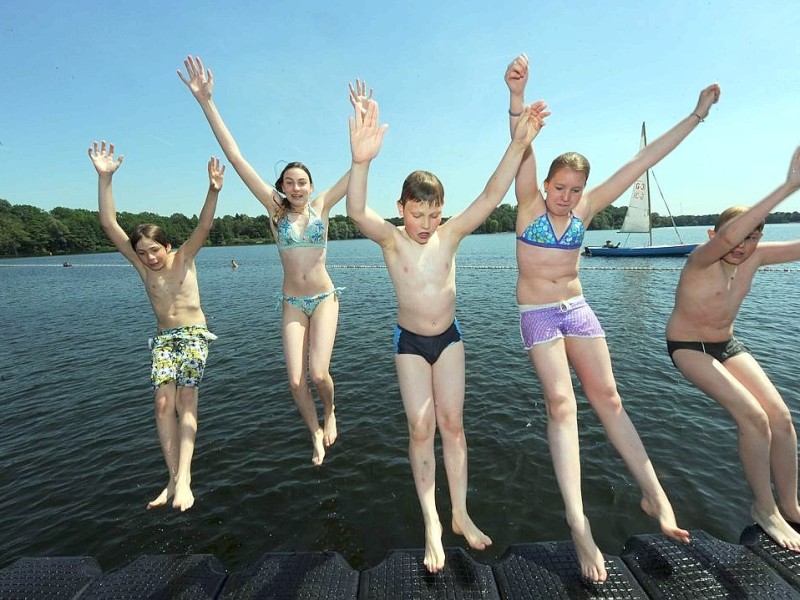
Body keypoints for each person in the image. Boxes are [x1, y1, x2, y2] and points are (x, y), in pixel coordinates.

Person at [505, 52, 719, 582]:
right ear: (547, 183)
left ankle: (655, 495)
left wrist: (695, 117)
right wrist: (516, 97)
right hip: (537, 313)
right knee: (561, 403)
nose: (567, 197)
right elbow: (521, 145)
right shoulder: (528, 203)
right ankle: (578, 523)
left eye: (575, 190)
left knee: (610, 397)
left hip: (576, 309)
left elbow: (642, 163)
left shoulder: (587, 208)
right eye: (561, 188)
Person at [346, 90, 547, 572]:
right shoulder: (391, 240)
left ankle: (459, 514)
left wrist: (518, 145)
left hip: (450, 339)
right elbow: (355, 211)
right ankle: (431, 523)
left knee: (453, 426)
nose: (426, 223)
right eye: (418, 214)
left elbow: (491, 195)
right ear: (401, 208)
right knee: (421, 427)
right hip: (411, 344)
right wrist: (360, 162)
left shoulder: (450, 234)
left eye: (433, 214)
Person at [178, 56, 371, 466]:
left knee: (319, 374)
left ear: (311, 185)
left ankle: (332, 411)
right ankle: (314, 433)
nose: (296, 187)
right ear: (281, 187)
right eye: (289, 182)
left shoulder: (322, 206)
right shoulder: (276, 212)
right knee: (295, 380)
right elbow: (237, 157)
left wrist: (360, 116)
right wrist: (206, 102)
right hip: (291, 304)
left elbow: (358, 164)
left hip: (324, 299)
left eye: (302, 181)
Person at [666, 147, 800, 552]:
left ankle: (791, 505)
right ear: (716, 235)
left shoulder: (754, 259)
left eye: (754, 235)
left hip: (726, 343)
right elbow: (727, 236)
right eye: (741, 234)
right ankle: (764, 508)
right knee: (754, 417)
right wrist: (790, 185)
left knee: (780, 417)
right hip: (689, 346)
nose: (743, 244)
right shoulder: (701, 260)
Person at [88, 140, 224, 512]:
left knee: (185, 399)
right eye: (143, 252)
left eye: (155, 250)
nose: (149, 257)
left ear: (168, 246)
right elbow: (108, 223)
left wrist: (212, 190)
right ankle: (171, 478)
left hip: (194, 334)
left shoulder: (184, 259)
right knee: (162, 403)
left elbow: (204, 225)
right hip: (164, 339)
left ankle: (186, 479)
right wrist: (105, 179)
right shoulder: (139, 265)